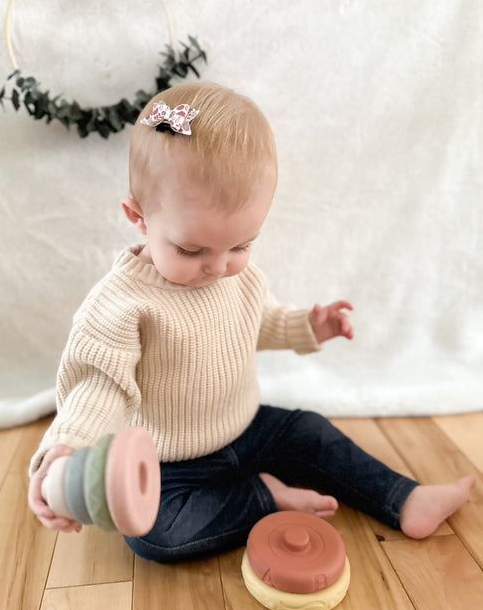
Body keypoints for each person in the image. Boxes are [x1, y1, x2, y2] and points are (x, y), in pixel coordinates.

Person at [28, 82, 475, 561]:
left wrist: (308, 325)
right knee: (154, 534)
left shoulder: (236, 278)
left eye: (240, 246)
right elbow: (100, 387)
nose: (218, 267)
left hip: (246, 427)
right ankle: (262, 498)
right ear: (138, 216)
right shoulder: (122, 305)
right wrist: (68, 447)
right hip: (168, 461)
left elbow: (257, 321)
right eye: (192, 249)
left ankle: (404, 498)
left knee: (312, 432)